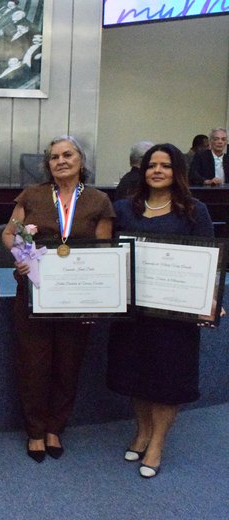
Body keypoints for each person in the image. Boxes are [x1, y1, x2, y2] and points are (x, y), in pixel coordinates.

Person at [0, 135, 115, 463]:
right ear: (48, 165)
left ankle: (55, 427)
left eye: (68, 155)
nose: (61, 161)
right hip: (34, 293)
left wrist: (97, 299)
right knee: (33, 364)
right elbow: (10, 233)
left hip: (77, 296)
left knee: (68, 364)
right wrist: (20, 254)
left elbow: (103, 250)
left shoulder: (97, 201)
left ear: (81, 160)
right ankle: (35, 430)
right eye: (54, 157)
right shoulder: (33, 195)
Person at [108, 143, 217, 478]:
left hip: (174, 315)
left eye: (165, 166)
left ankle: (156, 443)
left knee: (166, 380)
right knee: (137, 376)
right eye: (151, 165)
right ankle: (141, 431)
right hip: (134, 312)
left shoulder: (194, 210)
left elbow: (209, 259)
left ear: (177, 172)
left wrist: (211, 300)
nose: (157, 171)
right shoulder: (125, 208)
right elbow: (110, 255)